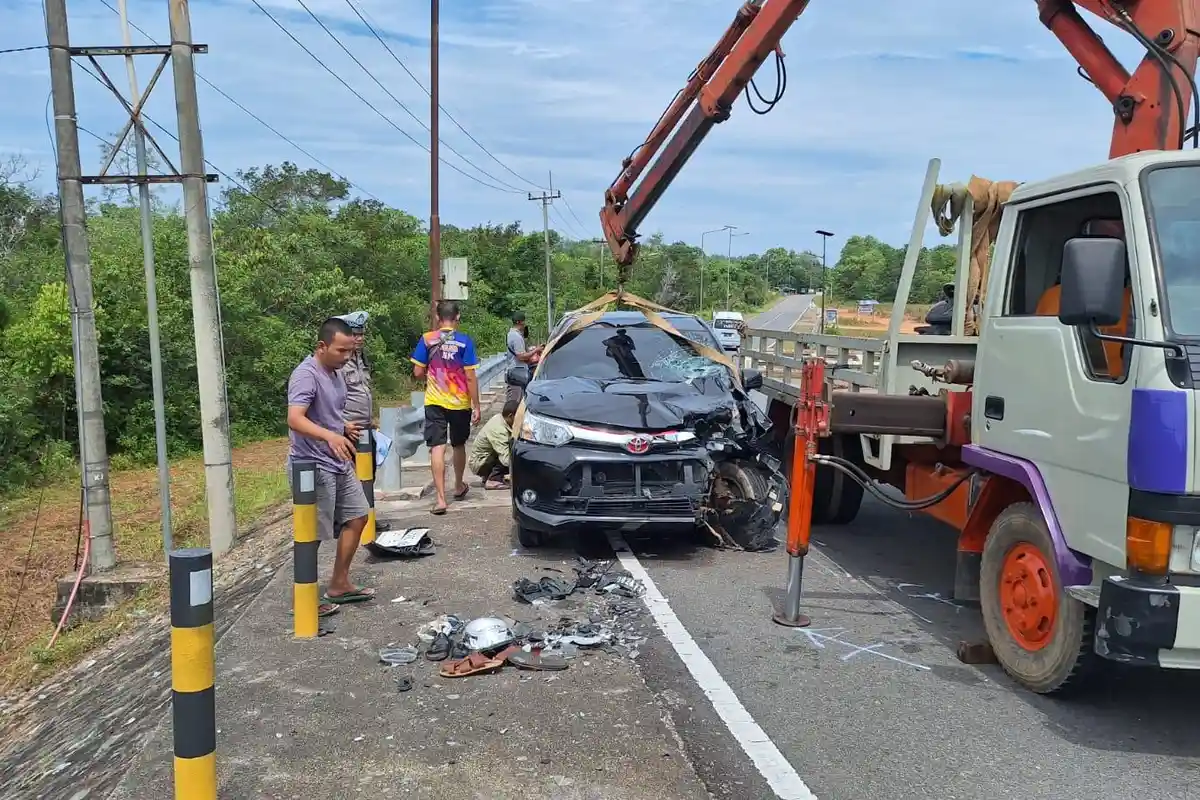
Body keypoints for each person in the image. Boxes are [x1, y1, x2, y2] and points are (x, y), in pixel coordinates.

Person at [286, 316, 376, 607]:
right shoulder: (306, 375)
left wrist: (342, 427)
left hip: (337, 460)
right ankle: (305, 601)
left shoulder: (336, 372)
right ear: (321, 346)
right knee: (311, 534)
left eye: (350, 351)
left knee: (358, 516)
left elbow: (326, 411)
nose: (346, 357)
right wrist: (330, 436)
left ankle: (339, 583)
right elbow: (295, 418)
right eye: (341, 351)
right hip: (312, 465)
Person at [411, 300, 481, 515]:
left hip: (434, 401)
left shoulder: (427, 339)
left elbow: (417, 372)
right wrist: (476, 405)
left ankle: (441, 499)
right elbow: (470, 376)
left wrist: (433, 376)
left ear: (438, 318)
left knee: (437, 447)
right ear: (457, 317)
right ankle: (458, 485)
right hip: (459, 402)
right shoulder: (464, 341)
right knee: (458, 444)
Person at [335, 310, 390, 533]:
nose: (358, 338)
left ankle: (367, 519)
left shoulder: (361, 358)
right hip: (347, 430)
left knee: (368, 476)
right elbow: (331, 397)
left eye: (361, 334)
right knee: (347, 478)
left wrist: (371, 420)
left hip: (365, 428)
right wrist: (341, 425)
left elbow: (364, 391)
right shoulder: (338, 361)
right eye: (354, 334)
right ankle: (344, 522)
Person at [469, 398, 518, 489]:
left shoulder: (501, 419)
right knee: (510, 455)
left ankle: (489, 476)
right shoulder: (499, 429)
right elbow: (506, 459)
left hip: (483, 459)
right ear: (511, 416)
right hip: (480, 463)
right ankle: (493, 479)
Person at [505, 311, 542, 404]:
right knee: (517, 401)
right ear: (519, 322)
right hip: (517, 372)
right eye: (523, 321)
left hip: (516, 371)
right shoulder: (516, 336)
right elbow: (521, 356)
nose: (524, 323)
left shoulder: (512, 334)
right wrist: (536, 350)